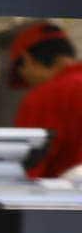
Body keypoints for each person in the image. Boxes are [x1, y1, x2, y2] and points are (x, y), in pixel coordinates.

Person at [7, 21, 82, 180]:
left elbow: (26, 170)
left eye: (22, 74)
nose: (29, 85)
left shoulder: (45, 96)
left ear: (27, 60)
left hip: (67, 201)